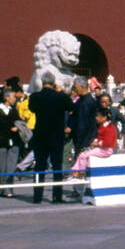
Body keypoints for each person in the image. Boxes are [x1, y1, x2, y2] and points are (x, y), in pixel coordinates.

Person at [27, 71, 74, 204]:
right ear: (53, 83)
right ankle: (56, 196)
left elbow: (32, 108)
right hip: (56, 136)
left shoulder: (35, 97)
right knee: (57, 167)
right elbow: (70, 106)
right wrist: (60, 92)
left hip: (40, 135)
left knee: (39, 167)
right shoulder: (60, 97)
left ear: (42, 82)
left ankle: (37, 197)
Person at [0, 87, 24, 197]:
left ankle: (8, 189)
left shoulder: (14, 110)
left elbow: (18, 122)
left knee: (11, 166)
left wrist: (17, 127)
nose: (14, 99)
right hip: (0, 141)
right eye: (13, 97)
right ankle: (2, 187)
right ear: (7, 98)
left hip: (13, 141)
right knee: (2, 166)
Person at [69, 107, 119, 180]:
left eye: (98, 116)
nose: (96, 118)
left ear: (104, 118)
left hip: (107, 150)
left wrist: (97, 143)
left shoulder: (110, 127)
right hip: (102, 149)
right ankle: (76, 172)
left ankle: (81, 174)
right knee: (82, 154)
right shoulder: (103, 126)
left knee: (83, 155)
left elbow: (108, 142)